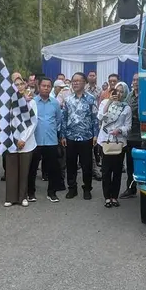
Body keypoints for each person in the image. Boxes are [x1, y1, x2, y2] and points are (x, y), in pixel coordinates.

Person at [60, 72, 99, 200]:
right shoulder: (68, 99)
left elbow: (95, 119)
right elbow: (64, 118)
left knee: (86, 165)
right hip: (70, 137)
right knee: (70, 164)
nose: (75, 83)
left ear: (84, 83)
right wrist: (63, 135)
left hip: (86, 137)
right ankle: (72, 188)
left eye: (78, 80)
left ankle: (87, 188)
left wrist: (95, 135)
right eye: (73, 81)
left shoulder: (91, 99)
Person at [4, 76, 38, 207]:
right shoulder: (9, 103)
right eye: (15, 84)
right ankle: (10, 197)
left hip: (27, 142)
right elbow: (6, 121)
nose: (19, 86)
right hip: (11, 141)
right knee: (11, 169)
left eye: (21, 84)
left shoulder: (31, 102)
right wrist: (14, 138)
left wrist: (23, 139)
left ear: (25, 85)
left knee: (24, 170)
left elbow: (33, 122)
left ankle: (22, 197)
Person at [97, 82, 132, 208]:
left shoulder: (126, 108)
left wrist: (120, 130)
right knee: (106, 171)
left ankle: (114, 197)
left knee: (117, 171)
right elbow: (100, 117)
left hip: (119, 143)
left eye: (122, 91)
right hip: (105, 141)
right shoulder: (104, 103)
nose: (119, 93)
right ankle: (107, 197)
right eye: (117, 90)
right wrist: (109, 102)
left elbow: (128, 126)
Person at [30, 77, 63, 202]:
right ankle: (30, 192)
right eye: (43, 85)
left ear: (51, 88)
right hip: (35, 141)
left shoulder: (55, 103)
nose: (46, 88)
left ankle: (52, 192)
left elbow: (58, 120)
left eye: (48, 86)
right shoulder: (32, 102)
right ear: (39, 86)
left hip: (51, 141)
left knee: (52, 169)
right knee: (32, 168)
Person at [120, 73, 140, 199]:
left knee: (142, 165)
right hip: (130, 136)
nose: (135, 82)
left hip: (143, 136)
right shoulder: (129, 96)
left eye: (138, 80)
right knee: (130, 165)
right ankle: (131, 189)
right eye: (133, 80)